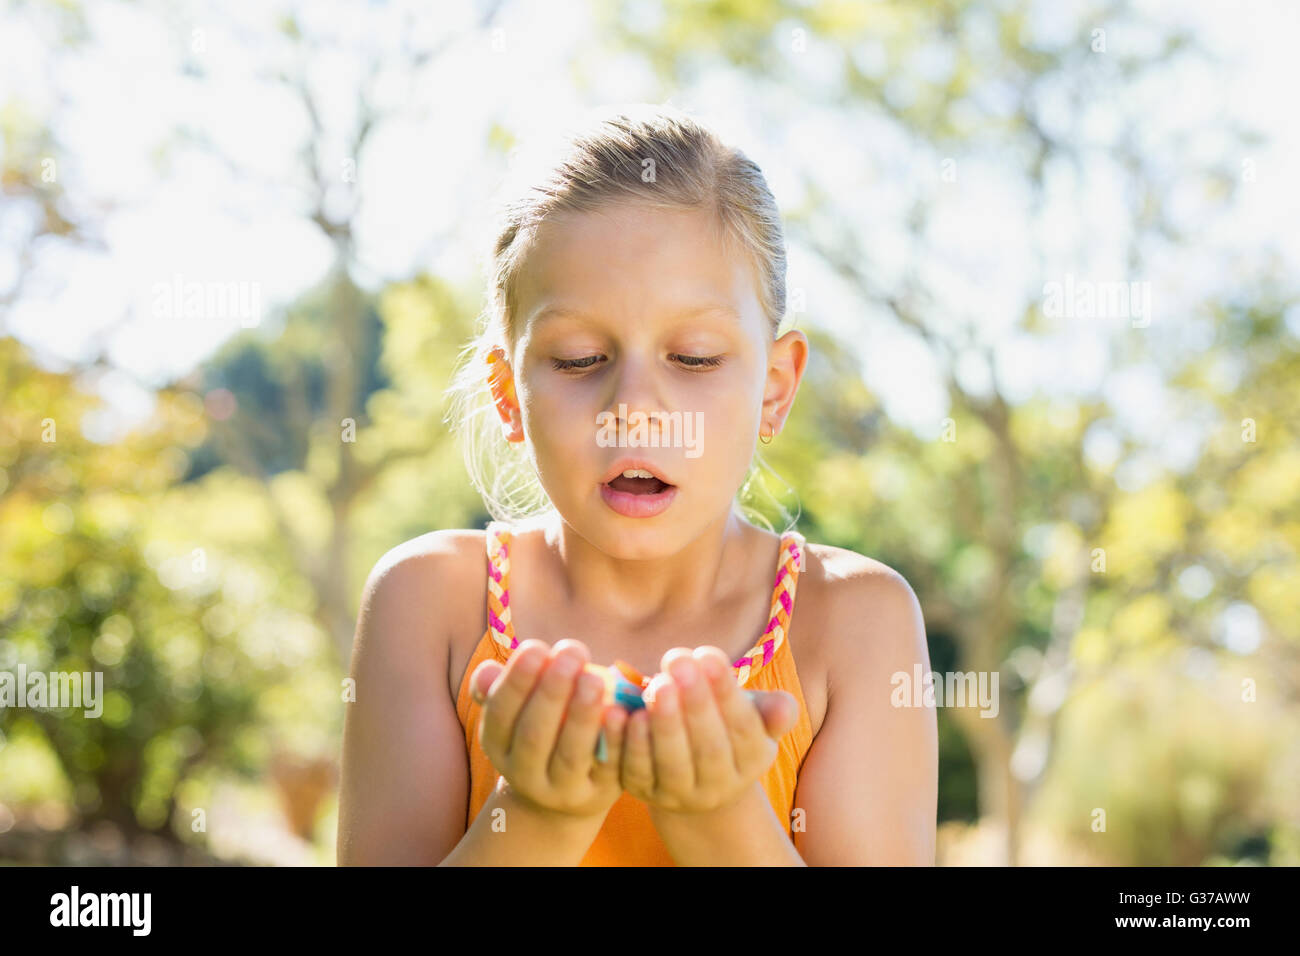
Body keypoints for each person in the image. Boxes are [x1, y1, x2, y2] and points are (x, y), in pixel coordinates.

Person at [337, 103, 937, 866]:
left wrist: (717, 815)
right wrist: (539, 813)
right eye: (581, 358)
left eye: (692, 357)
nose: (635, 412)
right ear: (508, 394)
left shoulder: (855, 620)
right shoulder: (428, 605)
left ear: (774, 389)